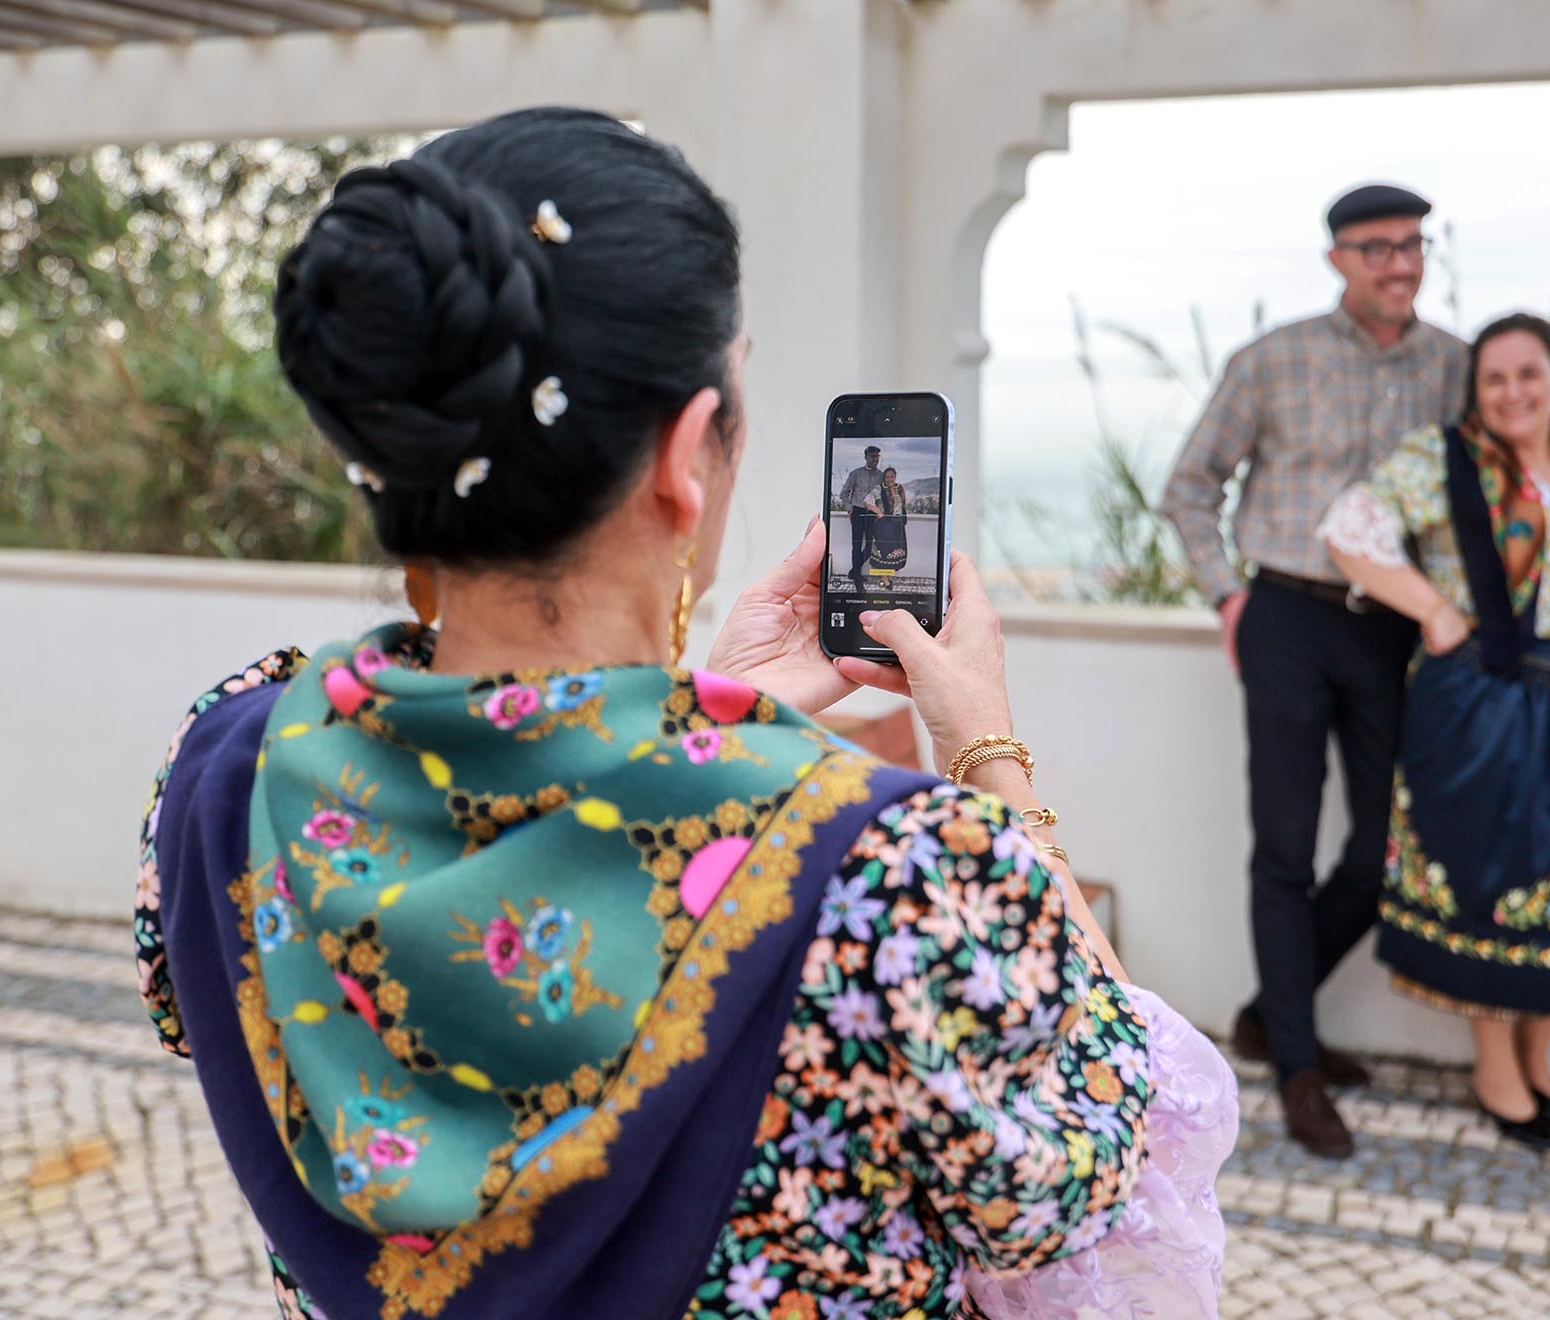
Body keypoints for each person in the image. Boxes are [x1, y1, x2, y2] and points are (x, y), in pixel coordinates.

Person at [132, 109, 1237, 1320]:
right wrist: (985, 749)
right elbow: (1097, 1159)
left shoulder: (230, 766)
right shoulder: (898, 877)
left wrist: (718, 718)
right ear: (690, 454)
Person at [1318, 312, 1550, 1151]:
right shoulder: (1444, 461)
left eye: (1529, 374)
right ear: (1477, 390)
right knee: (1493, 874)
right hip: (1486, 704)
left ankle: (1537, 1058)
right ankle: (1495, 1068)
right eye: (1496, 378)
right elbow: (1349, 530)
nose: (1514, 393)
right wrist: (1435, 609)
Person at [1162, 183, 1466, 1157]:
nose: (1399, 263)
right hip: (1286, 614)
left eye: (1413, 245)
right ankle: (1296, 1064)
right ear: (1337, 258)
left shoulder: (1454, 369)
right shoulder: (1272, 359)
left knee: (1383, 847)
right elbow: (1190, 486)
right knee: (1283, 846)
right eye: (1377, 247)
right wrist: (1229, 595)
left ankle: (1268, 1014)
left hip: (1393, 630)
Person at [836, 444, 885, 587]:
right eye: (872, 456)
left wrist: (879, 512)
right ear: (866, 457)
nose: (874, 459)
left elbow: (881, 497)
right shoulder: (856, 473)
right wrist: (849, 509)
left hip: (871, 514)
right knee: (856, 545)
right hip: (857, 512)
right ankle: (857, 579)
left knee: (870, 547)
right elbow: (844, 493)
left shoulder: (880, 476)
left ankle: (854, 571)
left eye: (877, 456)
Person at [867, 465, 909, 584]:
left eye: (892, 476)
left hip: (897, 525)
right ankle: (884, 578)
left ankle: (886, 576)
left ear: (895, 477)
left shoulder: (899, 488)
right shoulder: (878, 489)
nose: (889, 479)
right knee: (884, 550)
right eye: (887, 477)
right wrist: (879, 512)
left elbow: (902, 504)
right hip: (884, 525)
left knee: (894, 551)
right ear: (883, 478)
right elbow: (867, 501)